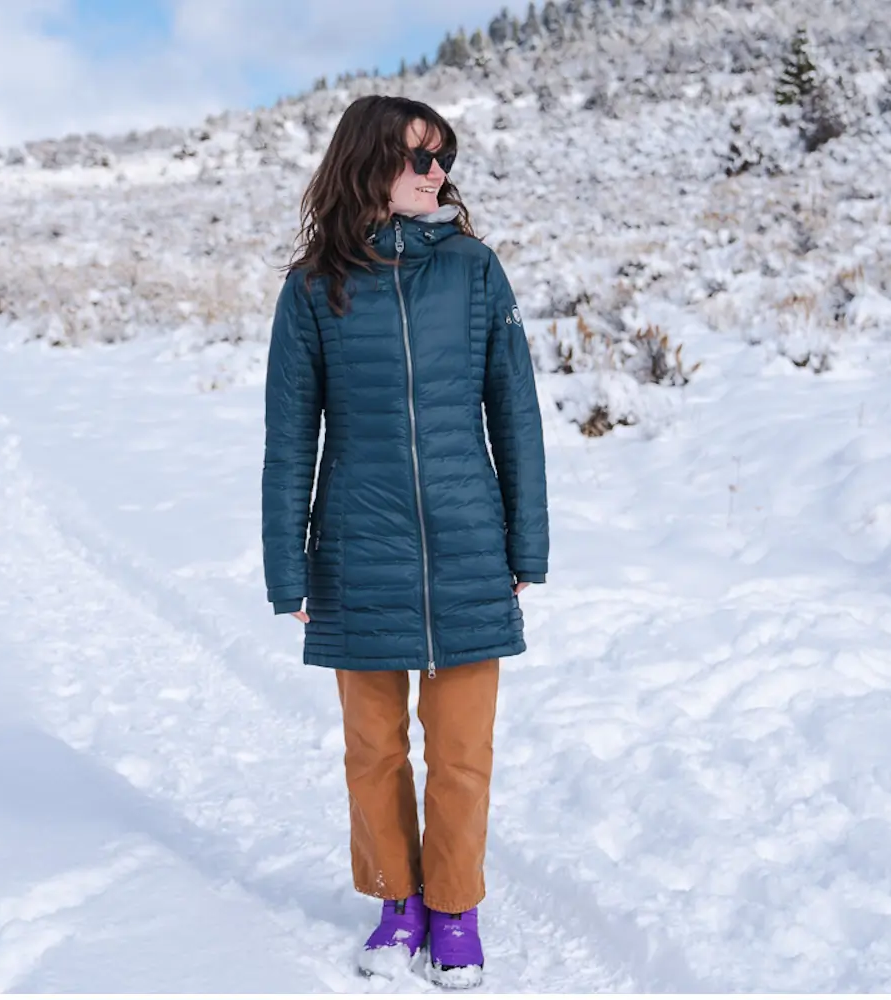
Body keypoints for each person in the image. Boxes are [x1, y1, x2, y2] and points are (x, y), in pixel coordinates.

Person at [261, 94, 548, 988]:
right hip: (358, 551)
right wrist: (286, 566)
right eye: (419, 156)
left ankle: (454, 907)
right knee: (374, 751)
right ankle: (397, 902)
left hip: (468, 545)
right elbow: (289, 439)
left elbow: (516, 414)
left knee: (461, 752)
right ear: (369, 161)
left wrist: (526, 546)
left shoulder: (475, 270)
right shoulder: (313, 287)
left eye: (443, 157)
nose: (437, 173)